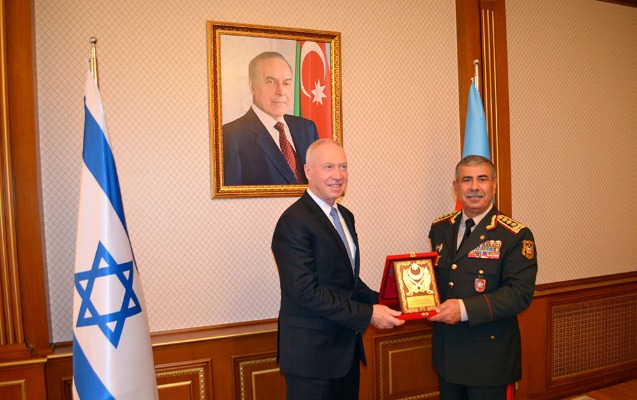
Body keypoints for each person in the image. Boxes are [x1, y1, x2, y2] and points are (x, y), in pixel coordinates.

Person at [272, 139, 405, 400]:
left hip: (346, 350)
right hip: (311, 358)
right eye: (329, 167)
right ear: (308, 171)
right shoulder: (293, 221)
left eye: (343, 166)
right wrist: (368, 314)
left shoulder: (346, 216)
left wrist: (390, 300)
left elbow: (348, 281)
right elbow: (304, 291)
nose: (338, 175)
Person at [427, 155, 537, 400]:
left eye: (482, 179)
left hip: (489, 360)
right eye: (467, 180)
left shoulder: (514, 235)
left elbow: (519, 294)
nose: (474, 187)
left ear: (494, 185)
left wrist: (464, 309)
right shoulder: (440, 228)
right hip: (448, 354)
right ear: (456, 187)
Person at [223, 51, 319, 186]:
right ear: (252, 85)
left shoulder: (308, 128)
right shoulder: (230, 136)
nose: (281, 92)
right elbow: (232, 196)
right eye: (270, 82)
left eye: (286, 83)